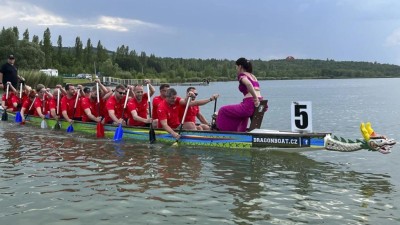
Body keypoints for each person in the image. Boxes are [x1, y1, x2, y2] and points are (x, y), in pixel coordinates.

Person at [216, 57, 264, 132]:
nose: (236, 69)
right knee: (243, 115)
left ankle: (226, 133)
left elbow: (248, 84)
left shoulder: (242, 75)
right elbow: (257, 89)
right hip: (260, 103)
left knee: (222, 110)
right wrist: (257, 99)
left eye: (236, 67)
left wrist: (255, 98)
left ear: (240, 66)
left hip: (250, 103)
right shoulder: (253, 76)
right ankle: (241, 131)